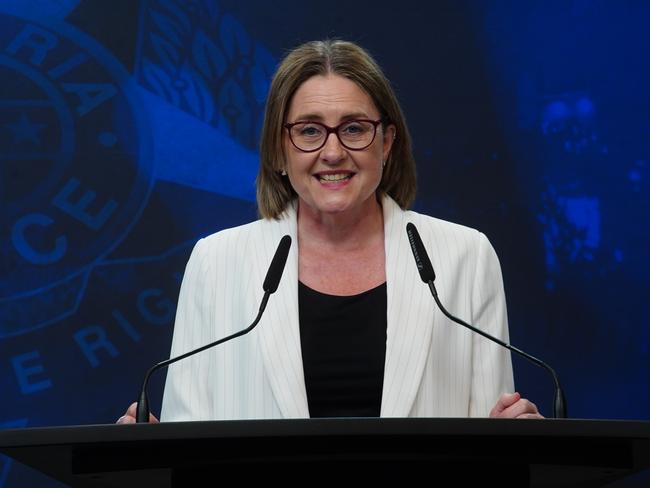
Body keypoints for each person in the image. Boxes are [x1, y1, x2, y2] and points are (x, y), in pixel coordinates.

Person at [117, 39, 541, 424]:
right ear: (278, 150)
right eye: (309, 131)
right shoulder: (216, 263)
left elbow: (491, 436)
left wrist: (514, 433)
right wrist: (152, 447)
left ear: (387, 142)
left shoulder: (464, 256)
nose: (333, 152)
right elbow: (187, 433)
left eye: (354, 129)